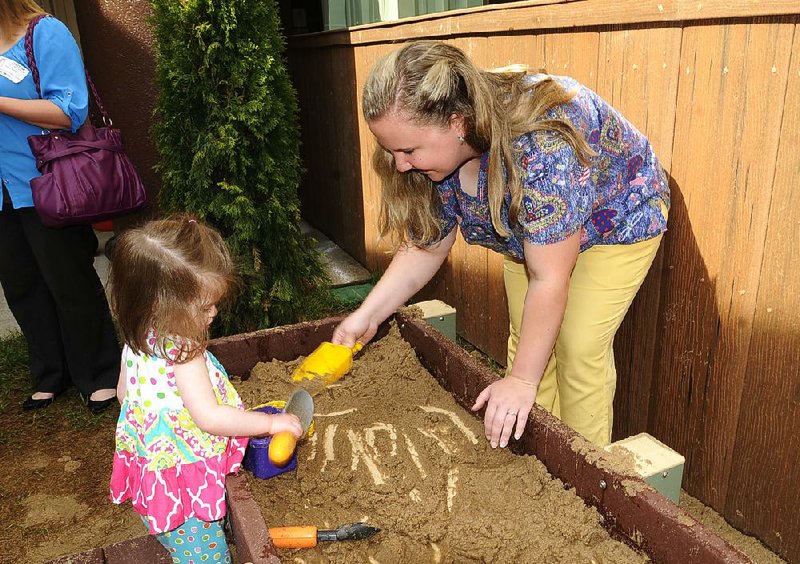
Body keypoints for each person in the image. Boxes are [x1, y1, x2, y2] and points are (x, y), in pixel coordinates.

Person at [332, 41, 669, 449]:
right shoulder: (435, 156)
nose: (400, 164)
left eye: (408, 150)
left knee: (576, 347)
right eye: (391, 150)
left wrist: (520, 380)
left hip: (615, 217)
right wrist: (365, 316)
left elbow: (549, 277)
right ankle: (535, 453)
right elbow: (427, 246)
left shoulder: (541, 148)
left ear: (458, 123)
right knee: (528, 338)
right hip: (531, 232)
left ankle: (585, 470)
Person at [107, 215, 303, 563]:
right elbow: (210, 418)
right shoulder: (184, 353)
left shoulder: (137, 341)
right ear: (161, 305)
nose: (213, 313)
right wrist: (271, 424)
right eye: (204, 306)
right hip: (184, 487)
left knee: (180, 539)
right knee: (206, 557)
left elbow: (124, 396)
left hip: (158, 473)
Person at [0, 1, 119, 413]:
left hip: (47, 185)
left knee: (68, 280)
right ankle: (51, 373)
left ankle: (101, 372)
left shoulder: (43, 33)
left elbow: (68, 111)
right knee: (21, 285)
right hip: (1, 194)